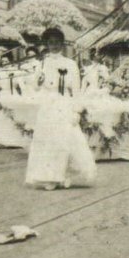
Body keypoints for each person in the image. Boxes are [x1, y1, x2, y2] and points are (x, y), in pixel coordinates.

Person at [25, 27, 97, 190]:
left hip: (63, 105)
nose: (54, 46)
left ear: (62, 45)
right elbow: (34, 86)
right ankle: (48, 176)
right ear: (47, 44)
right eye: (51, 43)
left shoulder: (70, 64)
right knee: (47, 141)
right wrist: (38, 80)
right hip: (47, 105)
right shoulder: (41, 63)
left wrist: (76, 111)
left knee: (63, 140)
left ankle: (62, 175)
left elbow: (76, 90)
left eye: (57, 43)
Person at [0, 54, 28, 148]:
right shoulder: (0, 72)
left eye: (6, 61)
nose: (5, 63)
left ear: (11, 61)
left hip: (13, 94)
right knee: (2, 116)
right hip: (3, 94)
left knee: (13, 116)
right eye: (3, 62)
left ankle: (14, 140)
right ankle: (0, 139)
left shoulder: (16, 71)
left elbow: (21, 85)